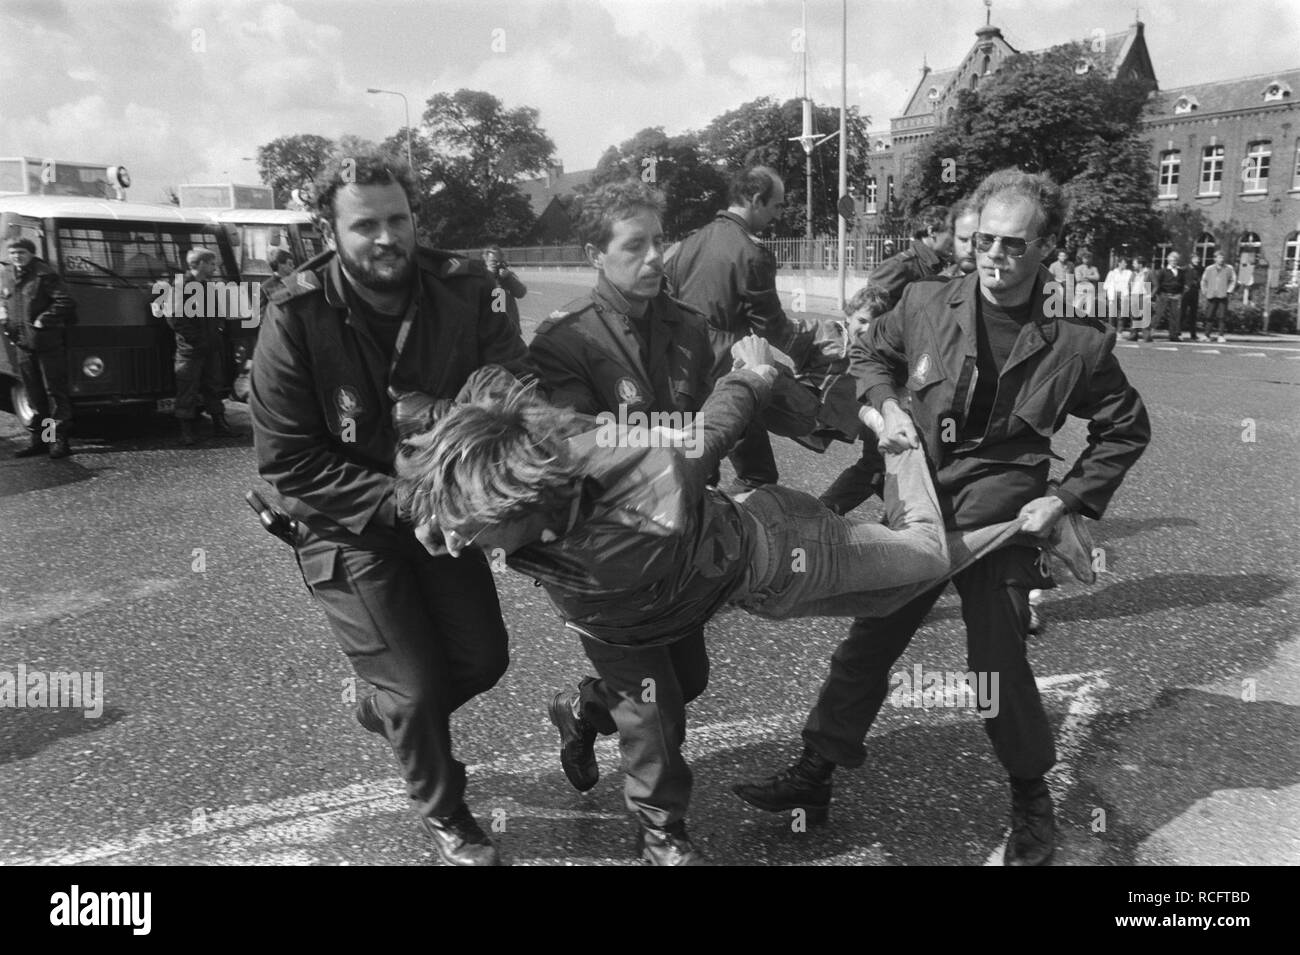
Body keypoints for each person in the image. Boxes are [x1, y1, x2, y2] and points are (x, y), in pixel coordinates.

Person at [394, 342, 1096, 865]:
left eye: (469, 526)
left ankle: (908, 436)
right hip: (628, 615)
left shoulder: (637, 478)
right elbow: (442, 481)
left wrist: (753, 375)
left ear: (521, 498)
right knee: (654, 707)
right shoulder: (499, 502)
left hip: (769, 552)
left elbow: (708, 434)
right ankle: (661, 831)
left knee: (921, 563)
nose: (453, 541)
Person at [733, 168, 1151, 867]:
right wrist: (883, 403)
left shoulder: (1077, 345)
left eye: (1014, 244)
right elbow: (870, 355)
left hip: (1002, 525)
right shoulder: (925, 302)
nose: (995, 255)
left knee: (996, 663)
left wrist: (1069, 497)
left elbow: (1126, 429)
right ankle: (816, 775)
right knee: (871, 642)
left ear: (1045, 245)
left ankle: (1030, 799)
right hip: (920, 508)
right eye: (986, 239)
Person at [249, 147, 533, 866]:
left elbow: (511, 386)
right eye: (366, 225)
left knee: (481, 658)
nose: (387, 238)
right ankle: (447, 810)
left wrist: (471, 476)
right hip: (341, 518)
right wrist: (408, 498)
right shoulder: (294, 314)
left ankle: (380, 708)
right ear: (330, 232)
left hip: (439, 507)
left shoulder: (468, 288)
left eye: (399, 219)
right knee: (413, 683)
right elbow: (286, 460)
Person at [525, 180, 715, 841]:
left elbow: (723, 421)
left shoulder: (691, 330)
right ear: (595, 254)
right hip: (600, 555)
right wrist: (659, 451)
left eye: (660, 241)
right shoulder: (565, 342)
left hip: (678, 545)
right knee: (653, 700)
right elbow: (575, 447)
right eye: (635, 245)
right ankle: (663, 829)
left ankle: (581, 711)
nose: (656, 257)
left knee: (687, 678)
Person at [664, 164, 792, 492]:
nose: (778, 215)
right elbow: (770, 328)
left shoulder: (687, 243)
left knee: (694, 463)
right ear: (755, 199)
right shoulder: (752, 252)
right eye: (776, 205)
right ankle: (733, 535)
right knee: (758, 474)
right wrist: (808, 350)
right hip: (729, 366)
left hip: (682, 368)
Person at [1, 237, 76, 458]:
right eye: (13, 253)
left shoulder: (44, 275)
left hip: (46, 345)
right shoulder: (9, 275)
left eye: (21, 253)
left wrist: (45, 318)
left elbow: (65, 301)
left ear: (31, 254)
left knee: (54, 394)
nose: (17, 257)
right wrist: (5, 317)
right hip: (23, 345)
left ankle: (58, 441)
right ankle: (41, 441)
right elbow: (5, 300)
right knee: (35, 396)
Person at [169, 248, 232, 445]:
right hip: (191, 349)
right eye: (212, 264)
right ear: (201, 263)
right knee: (187, 389)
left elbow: (216, 314)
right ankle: (187, 432)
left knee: (213, 386)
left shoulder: (207, 286)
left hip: (209, 346)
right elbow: (176, 319)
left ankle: (220, 425)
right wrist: (197, 340)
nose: (215, 268)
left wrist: (217, 331)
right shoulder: (181, 286)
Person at [868, 205, 953, 311]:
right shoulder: (900, 266)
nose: (954, 239)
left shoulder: (937, 265)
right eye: (951, 232)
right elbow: (871, 313)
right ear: (931, 231)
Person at [482, 245, 527, 336]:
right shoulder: (481, 279)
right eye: (493, 261)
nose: (497, 264)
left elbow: (521, 292)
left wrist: (508, 278)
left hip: (510, 330)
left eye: (499, 261)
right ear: (486, 262)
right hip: (491, 332)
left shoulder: (507, 276)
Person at [1147, 251, 1187, 343]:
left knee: (1174, 316)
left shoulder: (1180, 272)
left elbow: (1182, 284)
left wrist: (1180, 294)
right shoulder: (1163, 271)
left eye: (1176, 260)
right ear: (1168, 261)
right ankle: (1150, 333)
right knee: (1158, 314)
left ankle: (1173, 335)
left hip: (1176, 296)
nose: (1174, 262)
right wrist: (1159, 295)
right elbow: (1158, 283)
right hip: (1164, 295)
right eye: (1172, 260)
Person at [1201, 251, 1237, 343]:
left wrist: (1229, 291)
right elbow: (1204, 280)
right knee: (1209, 316)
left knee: (1222, 317)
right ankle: (1206, 335)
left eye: (1222, 257)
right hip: (1211, 295)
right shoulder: (1209, 269)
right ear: (1215, 259)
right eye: (1219, 257)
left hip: (1223, 295)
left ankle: (1220, 335)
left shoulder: (1229, 268)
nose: (1221, 259)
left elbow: (1233, 280)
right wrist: (1204, 291)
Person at [1102, 255, 1135, 332]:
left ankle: (1120, 329)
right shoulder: (1112, 273)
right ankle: (1111, 329)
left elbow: (1131, 283)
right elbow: (1106, 285)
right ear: (1119, 263)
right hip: (1113, 294)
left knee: (1122, 313)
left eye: (1126, 263)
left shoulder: (1129, 273)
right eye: (1124, 263)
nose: (1125, 264)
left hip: (1124, 294)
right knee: (1112, 313)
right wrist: (1105, 294)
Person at [1181, 253, 1204, 340]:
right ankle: (1178, 332)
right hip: (1186, 292)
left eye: (1198, 259)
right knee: (1182, 313)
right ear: (1191, 259)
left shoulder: (1200, 269)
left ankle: (1193, 334)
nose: (1197, 260)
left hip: (1195, 292)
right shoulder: (1185, 269)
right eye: (1195, 258)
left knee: (1193, 314)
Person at [1073, 250, 1100, 317]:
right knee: (1077, 305)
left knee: (1089, 307)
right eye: (1085, 258)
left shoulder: (1094, 268)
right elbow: (1078, 279)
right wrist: (1091, 277)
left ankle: (1088, 322)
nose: (1087, 260)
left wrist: (1086, 276)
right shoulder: (1078, 268)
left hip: (1090, 289)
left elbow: (1097, 277)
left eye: (1088, 258)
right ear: (1082, 259)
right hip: (1080, 288)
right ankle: (1075, 320)